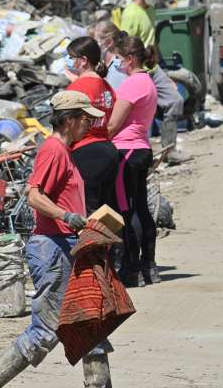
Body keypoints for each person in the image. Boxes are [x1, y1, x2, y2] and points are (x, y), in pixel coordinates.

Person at [0, 91, 112, 388]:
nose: (90, 125)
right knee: (45, 330)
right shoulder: (53, 150)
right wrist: (66, 216)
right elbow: (33, 196)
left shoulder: (64, 151)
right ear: (69, 120)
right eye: (85, 119)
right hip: (52, 247)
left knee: (90, 322)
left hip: (66, 247)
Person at [106, 36, 159, 287]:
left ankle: (131, 267)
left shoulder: (130, 85)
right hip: (142, 148)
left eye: (118, 58)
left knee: (127, 211)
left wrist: (96, 141)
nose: (115, 62)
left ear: (128, 59)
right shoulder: (148, 81)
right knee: (141, 208)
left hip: (125, 151)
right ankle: (149, 265)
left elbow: (114, 124)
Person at [118, 0, 189, 165]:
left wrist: (160, 67)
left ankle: (169, 151)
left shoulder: (150, 10)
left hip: (152, 67)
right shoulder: (130, 14)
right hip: (138, 70)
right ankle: (141, 156)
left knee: (175, 101)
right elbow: (124, 47)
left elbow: (152, 41)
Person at [64, 36, 119, 215]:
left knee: (89, 212)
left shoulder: (76, 88)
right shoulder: (106, 86)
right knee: (108, 211)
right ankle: (116, 244)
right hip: (108, 150)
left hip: (85, 153)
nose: (69, 61)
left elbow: (67, 126)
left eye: (71, 57)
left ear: (83, 60)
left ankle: (97, 244)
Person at [92, 21, 129, 90]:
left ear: (109, 42)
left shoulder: (119, 68)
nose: (93, 46)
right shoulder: (104, 60)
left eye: (96, 42)